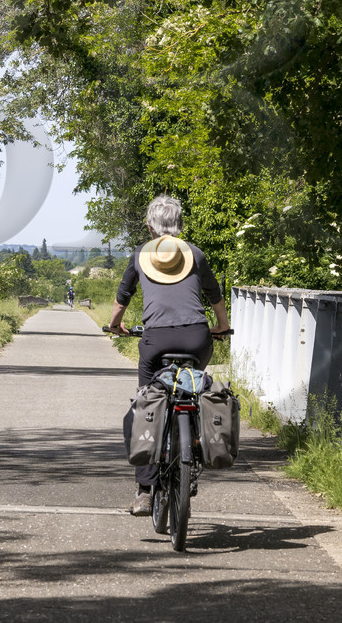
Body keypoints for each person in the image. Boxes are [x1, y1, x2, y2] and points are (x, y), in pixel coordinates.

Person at [108, 193, 230, 516]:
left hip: (156, 342)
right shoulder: (196, 254)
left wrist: (114, 325)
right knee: (192, 387)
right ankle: (194, 449)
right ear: (180, 225)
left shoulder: (140, 256)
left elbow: (123, 298)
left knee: (146, 401)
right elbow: (215, 296)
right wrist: (222, 326)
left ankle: (145, 491)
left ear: (149, 226)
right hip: (198, 339)